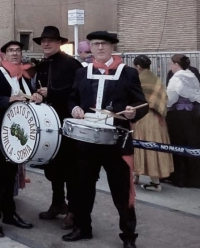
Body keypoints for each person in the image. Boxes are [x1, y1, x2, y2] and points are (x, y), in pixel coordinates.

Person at [65, 31, 147, 248]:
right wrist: (74, 108)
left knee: (121, 191)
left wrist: (132, 113)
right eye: (95, 44)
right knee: (83, 187)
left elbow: (142, 104)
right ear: (90, 47)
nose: (99, 48)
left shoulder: (127, 73)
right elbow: (73, 97)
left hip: (116, 142)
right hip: (87, 142)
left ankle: (128, 236)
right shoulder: (82, 73)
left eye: (103, 44)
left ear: (112, 47)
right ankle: (83, 228)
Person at [0, 40, 39, 238]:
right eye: (11, 51)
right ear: (4, 55)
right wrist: (8, 100)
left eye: (18, 50)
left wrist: (37, 96)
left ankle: (9, 213)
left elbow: (28, 100)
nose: (15, 53)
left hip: (16, 133)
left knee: (10, 174)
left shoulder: (23, 76)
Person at [32, 26, 81, 228]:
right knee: (53, 167)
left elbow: (76, 93)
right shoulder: (43, 64)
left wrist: (50, 92)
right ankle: (58, 203)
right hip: (48, 124)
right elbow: (39, 89)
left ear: (60, 43)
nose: (46, 44)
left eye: (50, 40)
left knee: (70, 169)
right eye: (43, 40)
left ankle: (74, 210)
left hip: (67, 124)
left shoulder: (72, 64)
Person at [166, 54, 200, 188]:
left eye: (171, 63)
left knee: (180, 145)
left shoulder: (176, 77)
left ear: (176, 64)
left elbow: (171, 99)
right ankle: (199, 177)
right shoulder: (191, 74)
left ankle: (181, 177)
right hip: (195, 116)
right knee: (196, 145)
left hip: (180, 117)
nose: (170, 66)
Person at [132, 55, 174, 192]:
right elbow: (164, 98)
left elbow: (132, 97)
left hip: (142, 118)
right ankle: (146, 179)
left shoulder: (138, 79)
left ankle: (146, 180)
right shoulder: (156, 79)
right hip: (157, 118)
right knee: (155, 148)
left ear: (138, 66)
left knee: (141, 147)